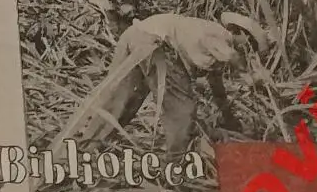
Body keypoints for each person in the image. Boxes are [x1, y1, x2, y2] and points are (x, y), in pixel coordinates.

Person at [81, 11, 270, 153]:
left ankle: (88, 146)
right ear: (239, 32)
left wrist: (229, 119)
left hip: (137, 35)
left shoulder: (211, 44)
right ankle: (175, 165)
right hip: (154, 42)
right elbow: (232, 57)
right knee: (181, 110)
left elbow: (217, 87)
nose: (248, 50)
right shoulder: (222, 36)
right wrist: (250, 76)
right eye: (250, 44)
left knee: (123, 99)